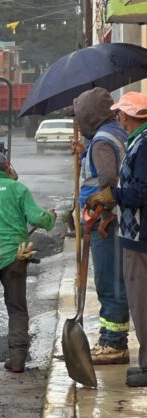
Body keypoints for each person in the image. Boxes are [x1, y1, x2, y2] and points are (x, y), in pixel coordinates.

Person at [0, 153, 56, 373]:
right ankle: (17, 361)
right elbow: (39, 218)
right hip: (14, 257)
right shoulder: (18, 189)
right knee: (16, 309)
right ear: (8, 169)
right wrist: (51, 216)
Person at [87, 92, 147, 387]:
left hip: (129, 230)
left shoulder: (138, 143)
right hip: (130, 228)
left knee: (128, 294)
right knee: (133, 296)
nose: (119, 119)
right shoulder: (130, 140)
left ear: (127, 116)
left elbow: (135, 188)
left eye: (122, 115)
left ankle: (127, 352)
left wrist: (110, 201)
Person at [72, 88, 130, 365]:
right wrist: (85, 153)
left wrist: (106, 211)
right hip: (110, 218)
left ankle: (114, 344)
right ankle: (110, 339)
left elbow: (108, 176)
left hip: (105, 221)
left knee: (110, 283)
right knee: (113, 281)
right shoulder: (113, 132)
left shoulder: (102, 141)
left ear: (88, 115)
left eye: (79, 115)